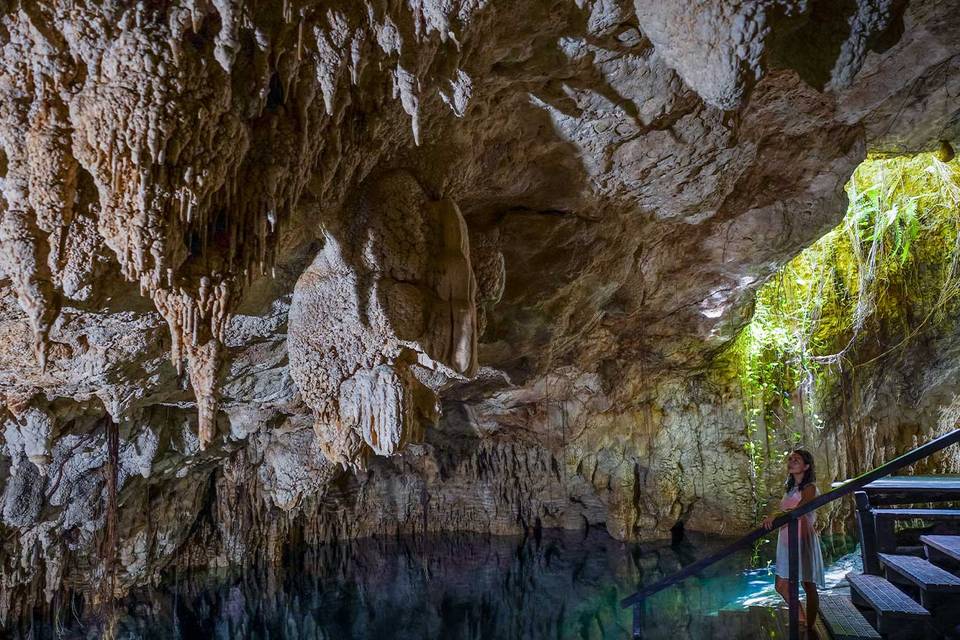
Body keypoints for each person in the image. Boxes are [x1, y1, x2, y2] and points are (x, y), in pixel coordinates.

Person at [762, 449, 825, 635]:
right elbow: (789, 510)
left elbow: (800, 509)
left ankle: (810, 625)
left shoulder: (810, 488)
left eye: (796, 460)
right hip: (786, 541)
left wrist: (776, 515)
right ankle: (801, 617)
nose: (791, 462)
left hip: (803, 541)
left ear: (806, 466)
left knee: (808, 584)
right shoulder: (790, 489)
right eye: (790, 459)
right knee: (780, 585)